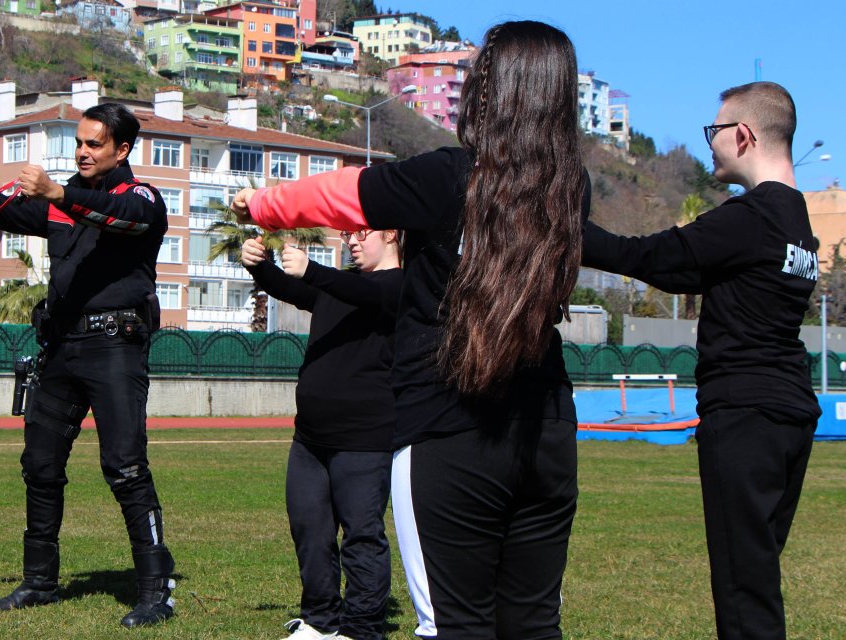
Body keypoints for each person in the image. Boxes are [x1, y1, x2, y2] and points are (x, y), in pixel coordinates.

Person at [233, 21, 586, 640]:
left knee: (451, 624)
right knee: (533, 625)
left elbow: (343, 194)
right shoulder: (570, 189)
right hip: (549, 430)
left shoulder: (449, 177)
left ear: (486, 93)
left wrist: (263, 205)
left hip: (449, 426)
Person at [582, 81, 820, 640]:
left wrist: (555, 227)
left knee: (744, 589)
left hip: (746, 414)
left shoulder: (750, 218)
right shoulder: (797, 224)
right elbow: (686, 270)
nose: (709, 145)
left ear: (743, 135)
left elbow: (647, 257)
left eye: (714, 132)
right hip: (789, 415)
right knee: (756, 574)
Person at [0, 102, 175, 627]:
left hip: (114, 346)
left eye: (94, 144)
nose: (82, 152)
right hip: (61, 346)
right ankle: (39, 581)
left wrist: (60, 193)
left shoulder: (141, 197)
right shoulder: (62, 197)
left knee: (124, 468)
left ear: (122, 149)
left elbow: (121, 218)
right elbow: (4, 208)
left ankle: (156, 590)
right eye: (79, 143)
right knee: (39, 465)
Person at [240, 231, 402, 640]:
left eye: (361, 232)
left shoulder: (399, 286)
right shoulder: (342, 286)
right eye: (347, 233)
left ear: (392, 233)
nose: (351, 240)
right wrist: (258, 264)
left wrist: (312, 269)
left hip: (363, 439)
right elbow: (291, 288)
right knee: (310, 531)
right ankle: (320, 621)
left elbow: (354, 289)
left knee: (362, 537)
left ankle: (362, 629)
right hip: (310, 438)